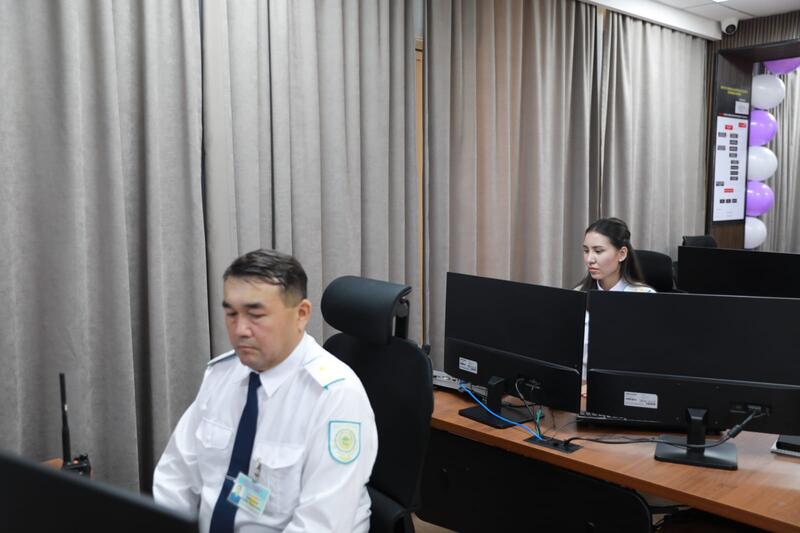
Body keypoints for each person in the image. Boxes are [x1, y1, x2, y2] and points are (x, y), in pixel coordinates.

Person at [153, 249, 378, 533]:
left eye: (255, 315)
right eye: (231, 314)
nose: (240, 329)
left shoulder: (336, 396)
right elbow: (174, 477)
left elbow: (321, 525)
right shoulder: (221, 375)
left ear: (301, 315)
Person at [575, 218, 654, 380]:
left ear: (622, 254)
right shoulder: (577, 296)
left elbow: (647, 360)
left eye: (598, 251)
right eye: (586, 251)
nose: (590, 259)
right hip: (579, 386)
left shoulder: (644, 298)